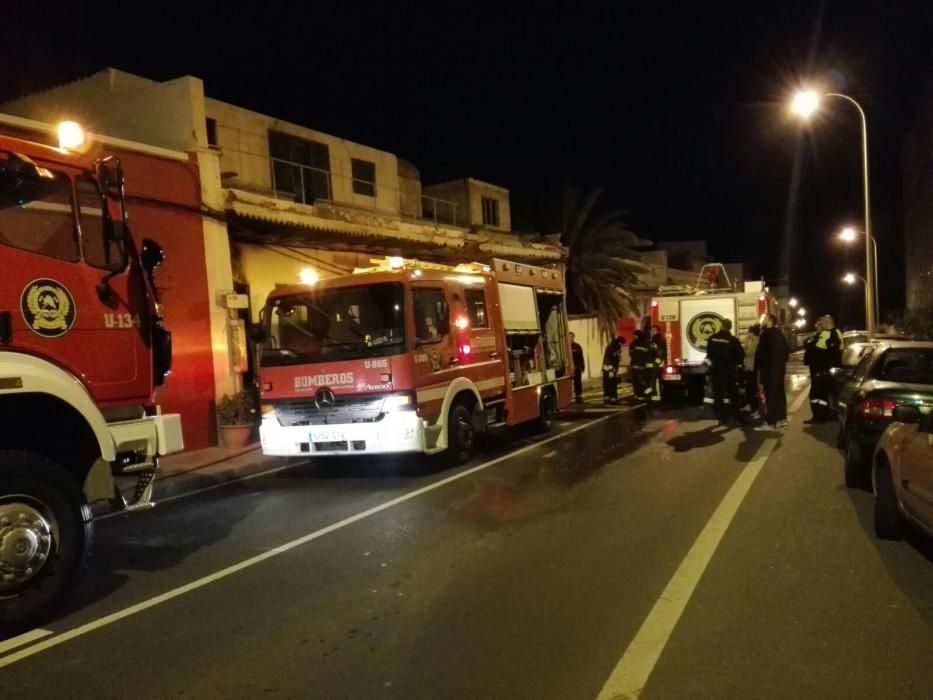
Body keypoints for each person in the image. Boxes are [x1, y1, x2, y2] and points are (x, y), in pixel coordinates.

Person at [706, 318, 745, 425]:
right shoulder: (733, 340)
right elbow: (741, 355)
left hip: (716, 371)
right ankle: (735, 416)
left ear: (721, 326)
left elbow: (709, 354)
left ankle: (721, 417)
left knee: (718, 394)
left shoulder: (712, 338)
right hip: (729, 371)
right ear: (730, 327)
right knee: (733, 394)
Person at [805, 315, 843, 424]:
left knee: (818, 394)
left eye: (821, 323)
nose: (820, 325)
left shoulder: (834, 333)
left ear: (827, 322)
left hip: (824, 370)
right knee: (819, 394)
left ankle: (820, 417)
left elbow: (829, 351)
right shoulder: (826, 333)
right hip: (820, 369)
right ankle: (819, 416)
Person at [754, 313, 789, 430]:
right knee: (780, 394)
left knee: (770, 395)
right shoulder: (780, 334)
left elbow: (760, 354)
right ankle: (782, 419)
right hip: (780, 369)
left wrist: (758, 367)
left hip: (769, 370)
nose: (762, 321)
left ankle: (770, 422)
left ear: (769, 321)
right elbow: (786, 354)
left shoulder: (766, 334)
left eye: (764, 319)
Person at [630, 330, 660, 404]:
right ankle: (638, 396)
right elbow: (632, 355)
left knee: (643, 383)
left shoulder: (648, 344)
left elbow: (653, 354)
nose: (634, 337)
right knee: (636, 383)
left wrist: (652, 364)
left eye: (635, 335)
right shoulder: (633, 344)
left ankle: (644, 396)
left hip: (644, 367)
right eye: (634, 335)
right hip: (635, 367)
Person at [740, 324, 761, 415]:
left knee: (752, 388)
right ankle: (750, 405)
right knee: (750, 388)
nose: (748, 334)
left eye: (749, 332)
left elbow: (748, 352)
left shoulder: (756, 341)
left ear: (752, 333)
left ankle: (754, 407)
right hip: (749, 367)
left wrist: (745, 343)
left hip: (752, 368)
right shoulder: (754, 341)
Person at [601, 336, 624, 405]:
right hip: (611, 369)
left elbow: (607, 359)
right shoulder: (615, 349)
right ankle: (613, 399)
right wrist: (613, 370)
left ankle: (606, 398)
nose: (622, 346)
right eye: (622, 344)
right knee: (612, 384)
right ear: (620, 343)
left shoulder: (610, 346)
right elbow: (614, 360)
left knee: (606, 384)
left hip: (606, 369)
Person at [569, 332, 586, 404]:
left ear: (573, 337)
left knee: (578, 383)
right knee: (568, 384)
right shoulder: (565, 347)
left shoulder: (577, 346)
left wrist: (582, 366)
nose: (570, 338)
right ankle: (568, 398)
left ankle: (579, 397)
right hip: (568, 368)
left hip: (577, 367)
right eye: (569, 337)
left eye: (571, 337)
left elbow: (581, 357)